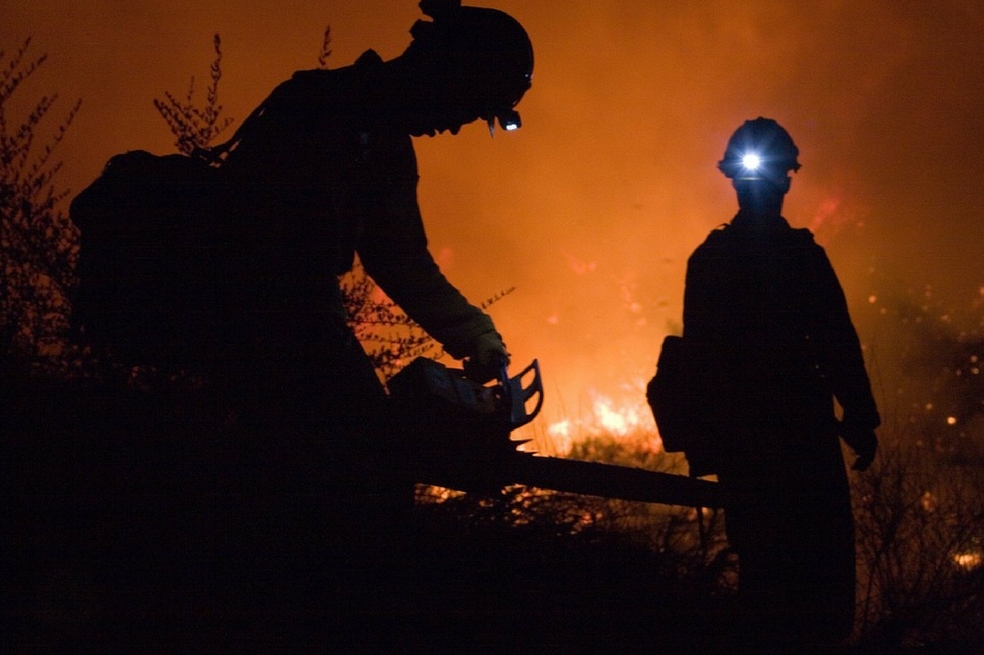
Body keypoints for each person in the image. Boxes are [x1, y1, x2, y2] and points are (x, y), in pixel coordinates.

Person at [172, 0, 534, 642]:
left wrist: (472, 331)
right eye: (468, 103)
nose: (455, 126)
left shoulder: (382, 140)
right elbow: (255, 243)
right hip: (261, 322)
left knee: (348, 486)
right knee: (345, 488)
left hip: (297, 321)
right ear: (445, 70)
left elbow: (400, 258)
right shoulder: (319, 107)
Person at [681, 118, 879, 644]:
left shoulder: (711, 260)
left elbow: (700, 358)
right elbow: (837, 342)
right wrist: (860, 416)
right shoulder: (800, 257)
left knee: (766, 578)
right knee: (820, 575)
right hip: (798, 437)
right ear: (787, 179)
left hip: (750, 444)